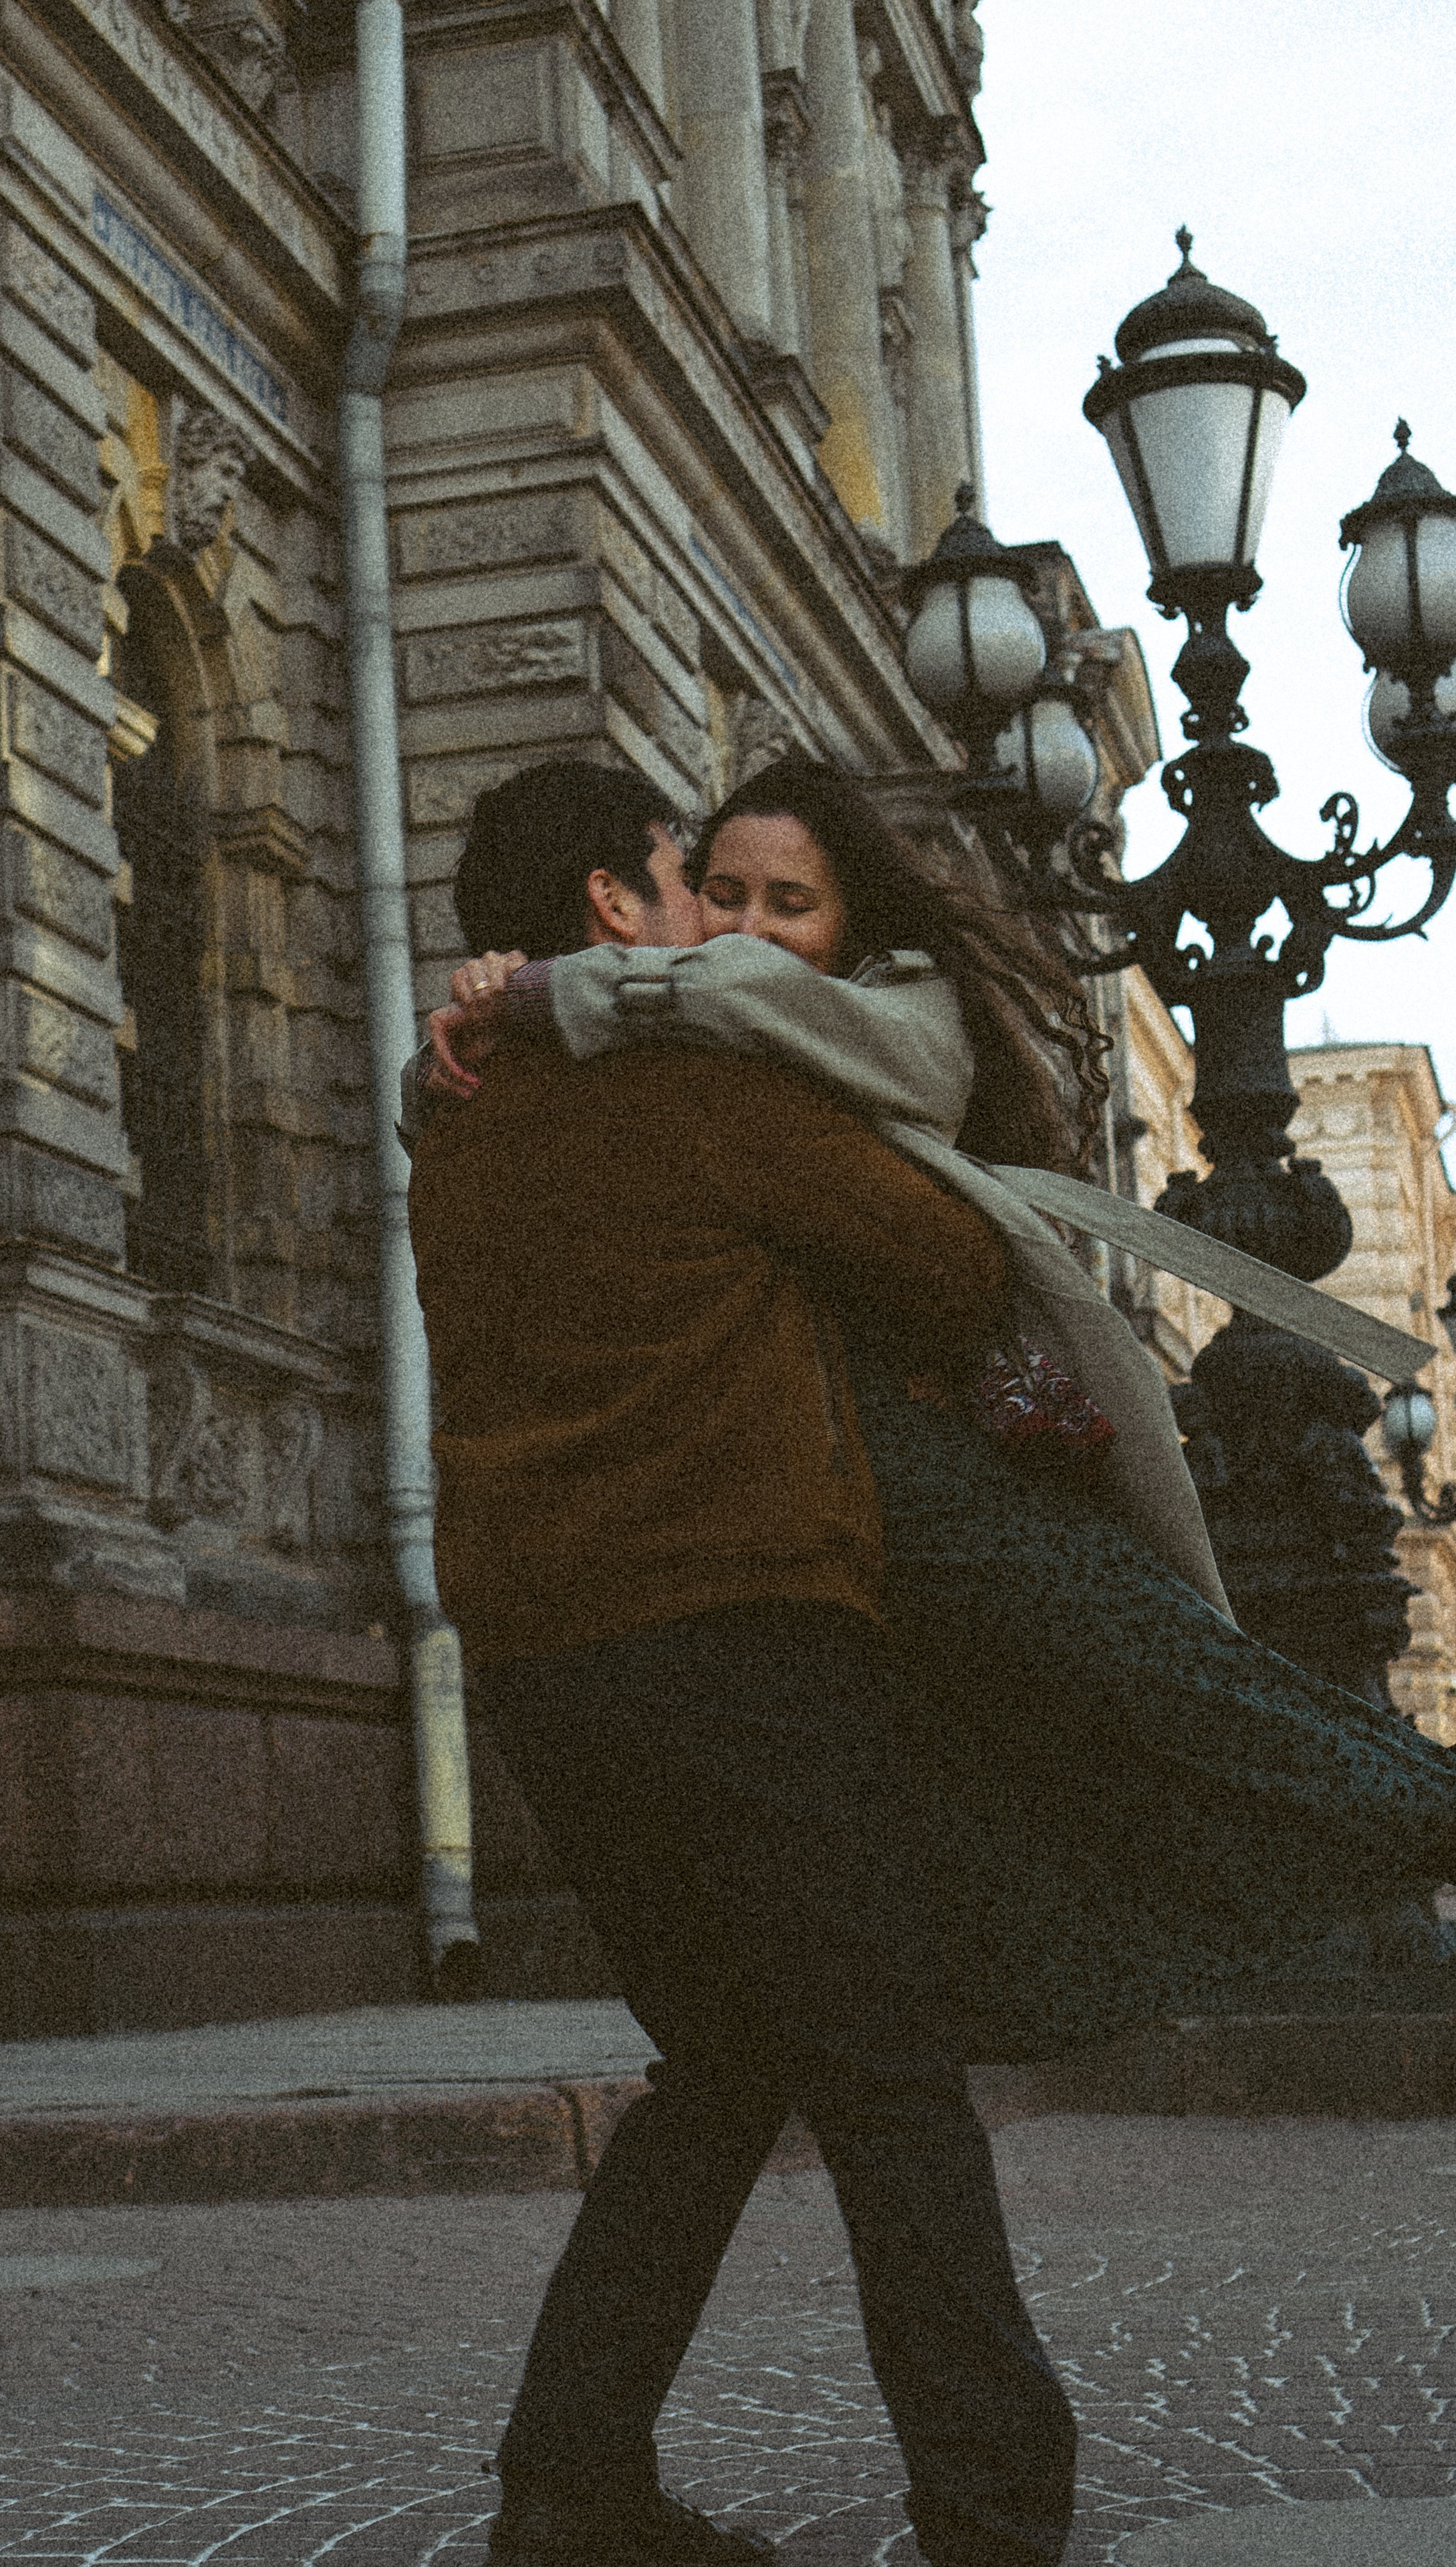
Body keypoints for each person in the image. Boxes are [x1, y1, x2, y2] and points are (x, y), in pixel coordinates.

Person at [424, 753, 1456, 2066]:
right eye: (711, 886)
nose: (736, 931)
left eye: (784, 901)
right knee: (837, 2018)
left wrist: (532, 989)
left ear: (853, 922)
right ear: (616, 900)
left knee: (1199, 1709)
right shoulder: (653, 1067)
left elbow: (950, 1262)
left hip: (915, 1483)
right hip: (808, 1541)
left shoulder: (828, 1029)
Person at [406, 757, 1080, 2567]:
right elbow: (947, 1270)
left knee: (721, 2060)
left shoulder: (454, 1119)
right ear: (620, 908)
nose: (713, 923)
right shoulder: (706, 1086)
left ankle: (571, 2484)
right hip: (744, 1639)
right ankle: (1000, 2516)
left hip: (544, 1665)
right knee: (886, 2079)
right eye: (682, 883)